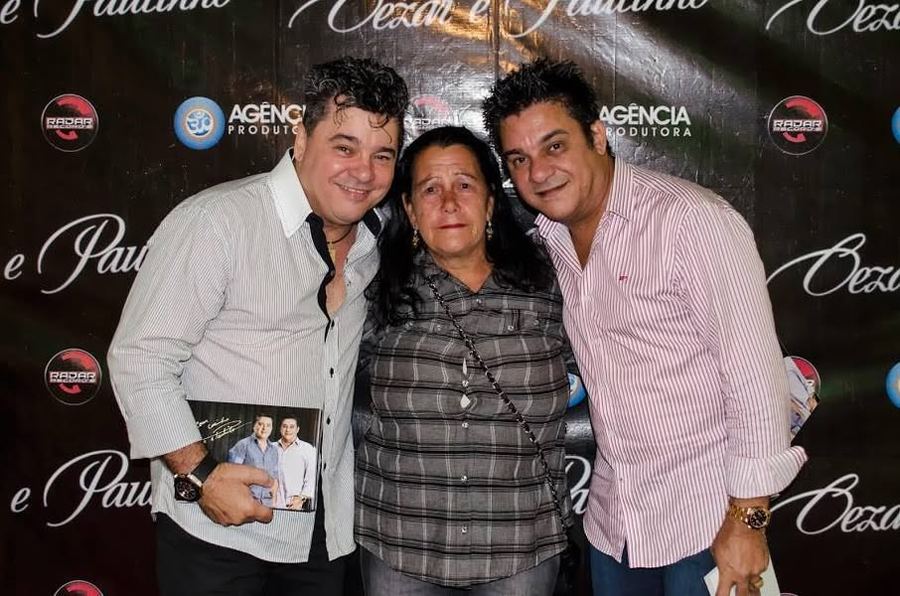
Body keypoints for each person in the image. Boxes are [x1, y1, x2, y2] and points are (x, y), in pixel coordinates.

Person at [482, 59, 808, 596]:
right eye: (520, 158)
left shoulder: (690, 221)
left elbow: (754, 377)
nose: (538, 172)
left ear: (597, 135)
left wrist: (748, 520)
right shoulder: (551, 241)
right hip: (616, 524)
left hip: (708, 523)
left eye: (555, 146)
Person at [107, 57, 408, 595]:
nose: (364, 171)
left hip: (323, 533)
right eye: (344, 147)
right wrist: (200, 476)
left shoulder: (370, 245)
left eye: (381, 155)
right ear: (302, 137)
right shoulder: (219, 221)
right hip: (215, 533)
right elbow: (140, 358)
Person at [355, 126, 574, 595]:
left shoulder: (551, 284)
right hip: (401, 543)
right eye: (430, 189)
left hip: (520, 545)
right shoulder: (375, 289)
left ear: (491, 202)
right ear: (410, 209)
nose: (450, 203)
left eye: (465, 185)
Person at [226, 414, 281, 507]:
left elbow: (275, 480)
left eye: (268, 425)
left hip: (266, 503)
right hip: (246, 501)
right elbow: (232, 475)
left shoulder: (274, 450)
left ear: (272, 428)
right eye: (260, 424)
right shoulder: (243, 445)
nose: (264, 428)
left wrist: (273, 502)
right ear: (254, 425)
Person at [275, 416, 317, 510]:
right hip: (270, 505)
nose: (288, 430)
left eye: (291, 427)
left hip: (293, 506)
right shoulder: (270, 448)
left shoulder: (308, 449)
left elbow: (312, 478)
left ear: (297, 429)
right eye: (284, 426)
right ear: (280, 428)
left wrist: (301, 498)